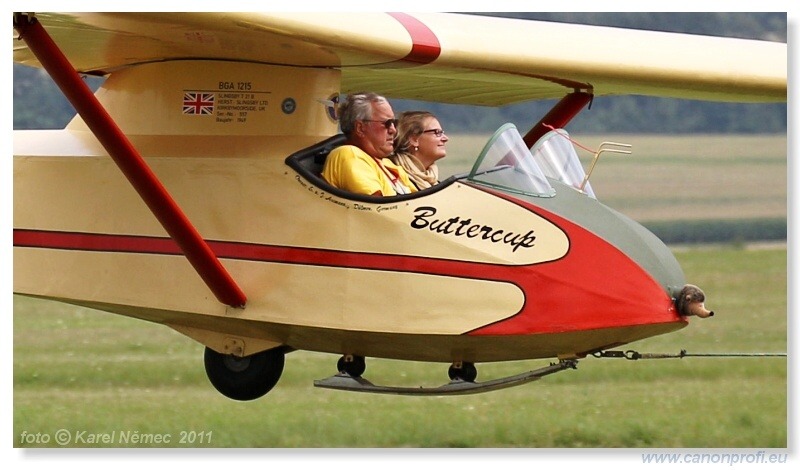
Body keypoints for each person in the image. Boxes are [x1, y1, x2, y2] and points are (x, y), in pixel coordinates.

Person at [321, 92, 417, 196]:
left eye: (394, 123)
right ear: (360, 128)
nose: (393, 130)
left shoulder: (387, 164)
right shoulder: (348, 154)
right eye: (387, 123)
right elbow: (376, 208)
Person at [391, 111, 448, 190]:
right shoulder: (392, 176)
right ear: (414, 139)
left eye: (442, 132)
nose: (445, 138)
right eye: (437, 132)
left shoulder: (433, 181)